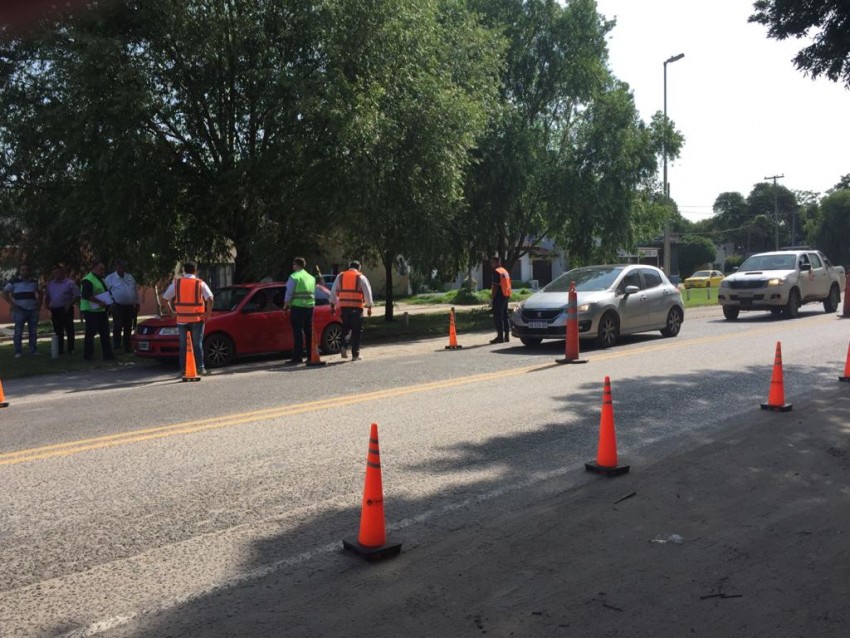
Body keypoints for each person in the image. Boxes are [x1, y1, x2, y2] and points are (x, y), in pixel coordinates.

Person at [161, 261, 213, 377]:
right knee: (197, 344)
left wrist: (171, 313)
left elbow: (164, 299)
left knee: (183, 345)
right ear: (196, 271)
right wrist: (208, 313)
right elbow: (210, 298)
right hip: (197, 319)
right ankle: (200, 368)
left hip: (182, 320)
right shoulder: (200, 283)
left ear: (184, 271)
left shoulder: (177, 283)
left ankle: (183, 369)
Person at [329, 260, 373, 361]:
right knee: (357, 331)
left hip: (344, 307)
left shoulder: (340, 276)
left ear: (349, 266)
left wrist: (332, 304)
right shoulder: (361, 277)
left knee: (346, 328)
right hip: (357, 308)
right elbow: (367, 292)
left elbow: (333, 291)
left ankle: (343, 346)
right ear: (359, 267)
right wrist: (369, 306)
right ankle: (355, 355)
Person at [2, 263, 42, 358]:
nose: (24, 272)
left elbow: (40, 292)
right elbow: (4, 293)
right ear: (20, 271)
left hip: (33, 310)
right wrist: (12, 304)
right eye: (22, 270)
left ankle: (33, 350)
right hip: (19, 310)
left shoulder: (34, 282)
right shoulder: (14, 282)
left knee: (33, 332)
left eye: (26, 270)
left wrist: (39, 304)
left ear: (30, 271)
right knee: (18, 332)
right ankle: (18, 351)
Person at [282, 257, 316, 364]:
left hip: (298, 307)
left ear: (297, 265)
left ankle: (298, 357)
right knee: (308, 332)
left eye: (293, 264)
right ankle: (311, 356)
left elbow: (289, 294)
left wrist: (285, 307)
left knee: (298, 332)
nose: (293, 266)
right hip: (310, 307)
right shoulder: (311, 278)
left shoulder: (294, 277)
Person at [79, 259, 114, 361]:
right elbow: (86, 295)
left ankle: (108, 355)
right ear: (94, 268)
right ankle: (88, 355)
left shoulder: (101, 279)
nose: (103, 271)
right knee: (90, 334)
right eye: (101, 269)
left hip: (100, 310)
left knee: (105, 333)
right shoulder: (88, 280)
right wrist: (100, 302)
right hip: (90, 311)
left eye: (103, 269)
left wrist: (108, 305)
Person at [105, 258, 140, 352]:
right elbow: (106, 292)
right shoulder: (110, 278)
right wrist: (109, 304)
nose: (121, 269)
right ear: (116, 267)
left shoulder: (130, 277)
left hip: (129, 306)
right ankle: (117, 345)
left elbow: (135, 290)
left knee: (128, 326)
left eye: (123, 267)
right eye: (119, 267)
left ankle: (127, 345)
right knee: (118, 325)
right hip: (117, 306)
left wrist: (137, 303)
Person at [44, 265, 80, 355]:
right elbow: (47, 296)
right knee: (58, 330)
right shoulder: (50, 284)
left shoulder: (70, 283)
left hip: (66, 309)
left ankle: (70, 348)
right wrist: (47, 305)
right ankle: (60, 349)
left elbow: (77, 295)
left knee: (69, 329)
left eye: (58, 272)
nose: (56, 275)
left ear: (63, 272)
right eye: (54, 273)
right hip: (55, 310)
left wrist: (69, 304)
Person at [489, 254, 512, 344]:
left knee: (498, 317)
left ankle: (500, 337)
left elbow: (495, 286)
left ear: (497, 262)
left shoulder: (496, 272)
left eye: (492, 262)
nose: (491, 264)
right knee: (505, 316)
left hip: (499, 296)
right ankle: (506, 337)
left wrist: (492, 298)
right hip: (506, 295)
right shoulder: (505, 271)